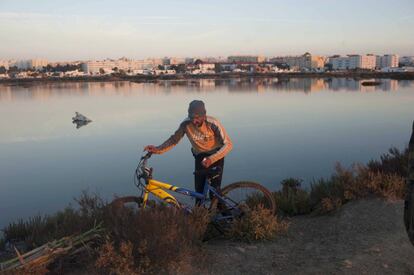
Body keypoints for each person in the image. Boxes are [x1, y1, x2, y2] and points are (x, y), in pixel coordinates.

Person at [144, 100, 233, 204]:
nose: (194, 121)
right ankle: (200, 217)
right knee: (198, 193)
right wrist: (157, 149)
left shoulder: (213, 123)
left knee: (215, 195)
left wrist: (212, 158)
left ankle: (227, 217)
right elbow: (174, 140)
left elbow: (228, 144)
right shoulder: (186, 124)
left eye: (197, 118)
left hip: (216, 156)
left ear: (204, 115)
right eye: (191, 118)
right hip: (200, 157)